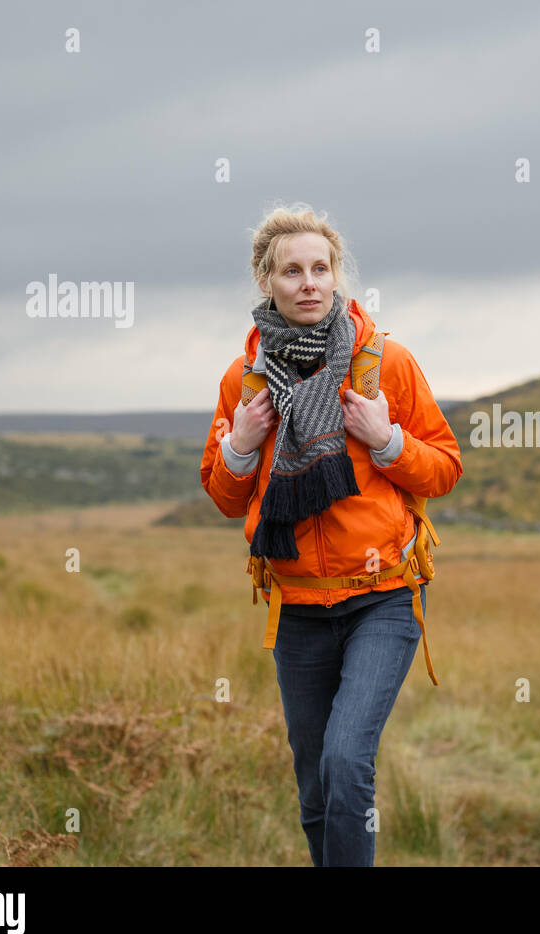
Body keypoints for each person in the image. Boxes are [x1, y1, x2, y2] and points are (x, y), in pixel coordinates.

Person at [199, 203, 463, 866]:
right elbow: (226, 497)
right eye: (292, 270)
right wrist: (243, 444)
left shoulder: (385, 364)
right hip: (297, 607)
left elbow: (445, 466)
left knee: (347, 761)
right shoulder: (244, 380)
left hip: (384, 596)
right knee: (315, 782)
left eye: (321, 268)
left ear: (337, 275)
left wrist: (387, 439)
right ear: (268, 282)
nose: (309, 282)